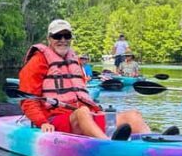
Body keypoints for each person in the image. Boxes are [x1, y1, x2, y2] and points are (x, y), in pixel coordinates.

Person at [18, 19, 151, 140]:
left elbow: (80, 93)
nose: (63, 40)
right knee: (82, 112)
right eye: (57, 36)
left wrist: (96, 109)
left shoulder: (73, 60)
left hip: (86, 115)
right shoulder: (37, 61)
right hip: (56, 119)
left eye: (67, 36)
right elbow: (28, 99)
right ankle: (108, 145)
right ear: (49, 39)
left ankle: (155, 146)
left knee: (133, 116)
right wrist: (42, 122)